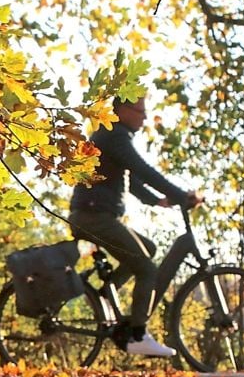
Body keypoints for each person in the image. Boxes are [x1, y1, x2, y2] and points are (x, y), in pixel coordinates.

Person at [69, 96, 202, 357]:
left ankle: (106, 295)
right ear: (121, 110)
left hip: (94, 216)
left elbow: (132, 180)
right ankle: (138, 334)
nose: (144, 116)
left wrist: (159, 200)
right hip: (95, 217)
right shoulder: (114, 134)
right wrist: (180, 195)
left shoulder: (111, 136)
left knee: (147, 249)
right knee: (146, 268)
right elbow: (143, 170)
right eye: (140, 110)